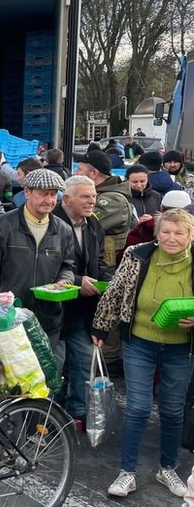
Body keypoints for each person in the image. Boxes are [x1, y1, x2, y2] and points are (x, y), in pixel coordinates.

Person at [93, 208, 194, 499]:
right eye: (165, 232)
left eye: (178, 233)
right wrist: (101, 328)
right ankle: (127, 472)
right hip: (139, 342)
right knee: (137, 407)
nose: (171, 238)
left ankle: (167, 467)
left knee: (173, 410)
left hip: (181, 347)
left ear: (189, 236)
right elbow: (115, 290)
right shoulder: (138, 254)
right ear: (156, 232)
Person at [0, 169, 75, 355]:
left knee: (43, 377)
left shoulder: (63, 230)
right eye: (43, 194)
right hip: (7, 319)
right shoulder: (2, 227)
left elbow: (67, 266)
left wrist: (64, 280)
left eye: (53, 194)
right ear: (27, 192)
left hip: (47, 319)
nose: (50, 200)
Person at [51, 175, 113, 431]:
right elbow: (46, 266)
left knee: (85, 362)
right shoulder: (50, 222)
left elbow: (99, 262)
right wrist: (78, 281)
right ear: (67, 199)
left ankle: (76, 412)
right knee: (53, 366)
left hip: (82, 311)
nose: (92, 202)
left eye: (94, 196)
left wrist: (109, 283)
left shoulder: (93, 225)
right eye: (85, 197)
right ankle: (45, 416)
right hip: (53, 310)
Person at [74, 150, 135, 266]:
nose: (75, 173)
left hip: (104, 268)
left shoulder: (113, 200)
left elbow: (83, 224)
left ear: (94, 174)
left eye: (80, 169)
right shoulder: (100, 194)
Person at [126, 190, 192, 248]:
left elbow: (125, 252)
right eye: (166, 232)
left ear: (161, 208)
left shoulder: (144, 227)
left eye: (179, 233)